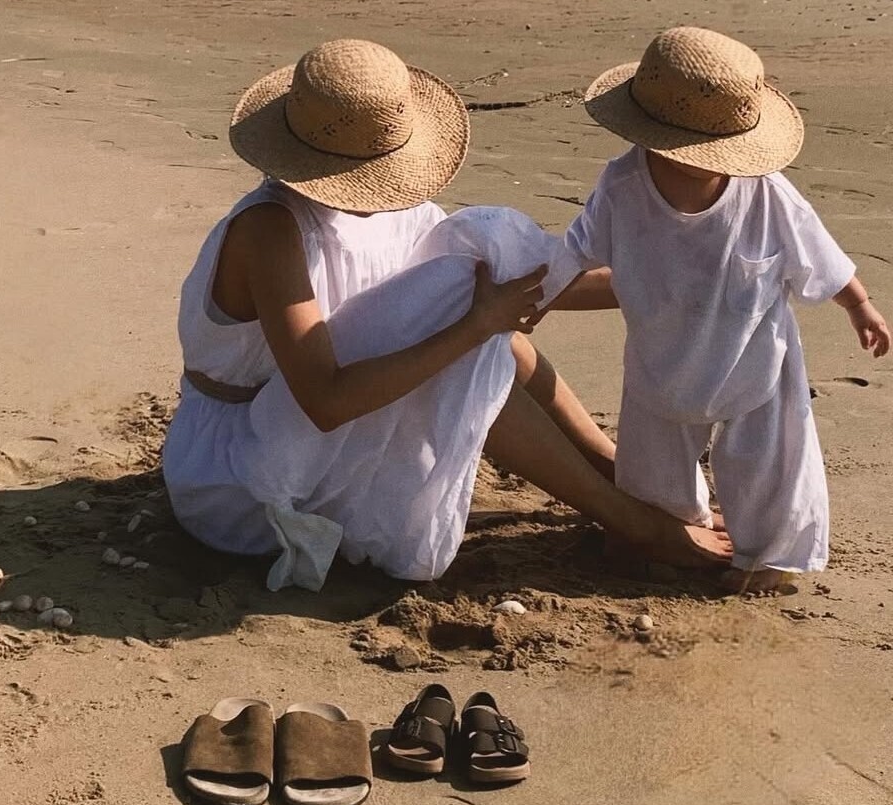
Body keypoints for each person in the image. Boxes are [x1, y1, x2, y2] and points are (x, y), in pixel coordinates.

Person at [162, 38, 732, 591]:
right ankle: (634, 523)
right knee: (468, 333)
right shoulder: (269, 229)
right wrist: (475, 326)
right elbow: (325, 401)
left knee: (476, 282)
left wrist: (677, 286)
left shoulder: (392, 206)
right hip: (242, 474)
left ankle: (622, 476)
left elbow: (521, 286)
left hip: (308, 432)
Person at [564, 26, 890, 592]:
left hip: (756, 354)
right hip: (661, 356)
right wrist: (531, 292)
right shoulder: (621, 185)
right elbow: (575, 252)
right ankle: (668, 530)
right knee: (652, 463)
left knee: (775, 462)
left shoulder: (767, 192)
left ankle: (771, 556)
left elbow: (820, 255)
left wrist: (859, 305)